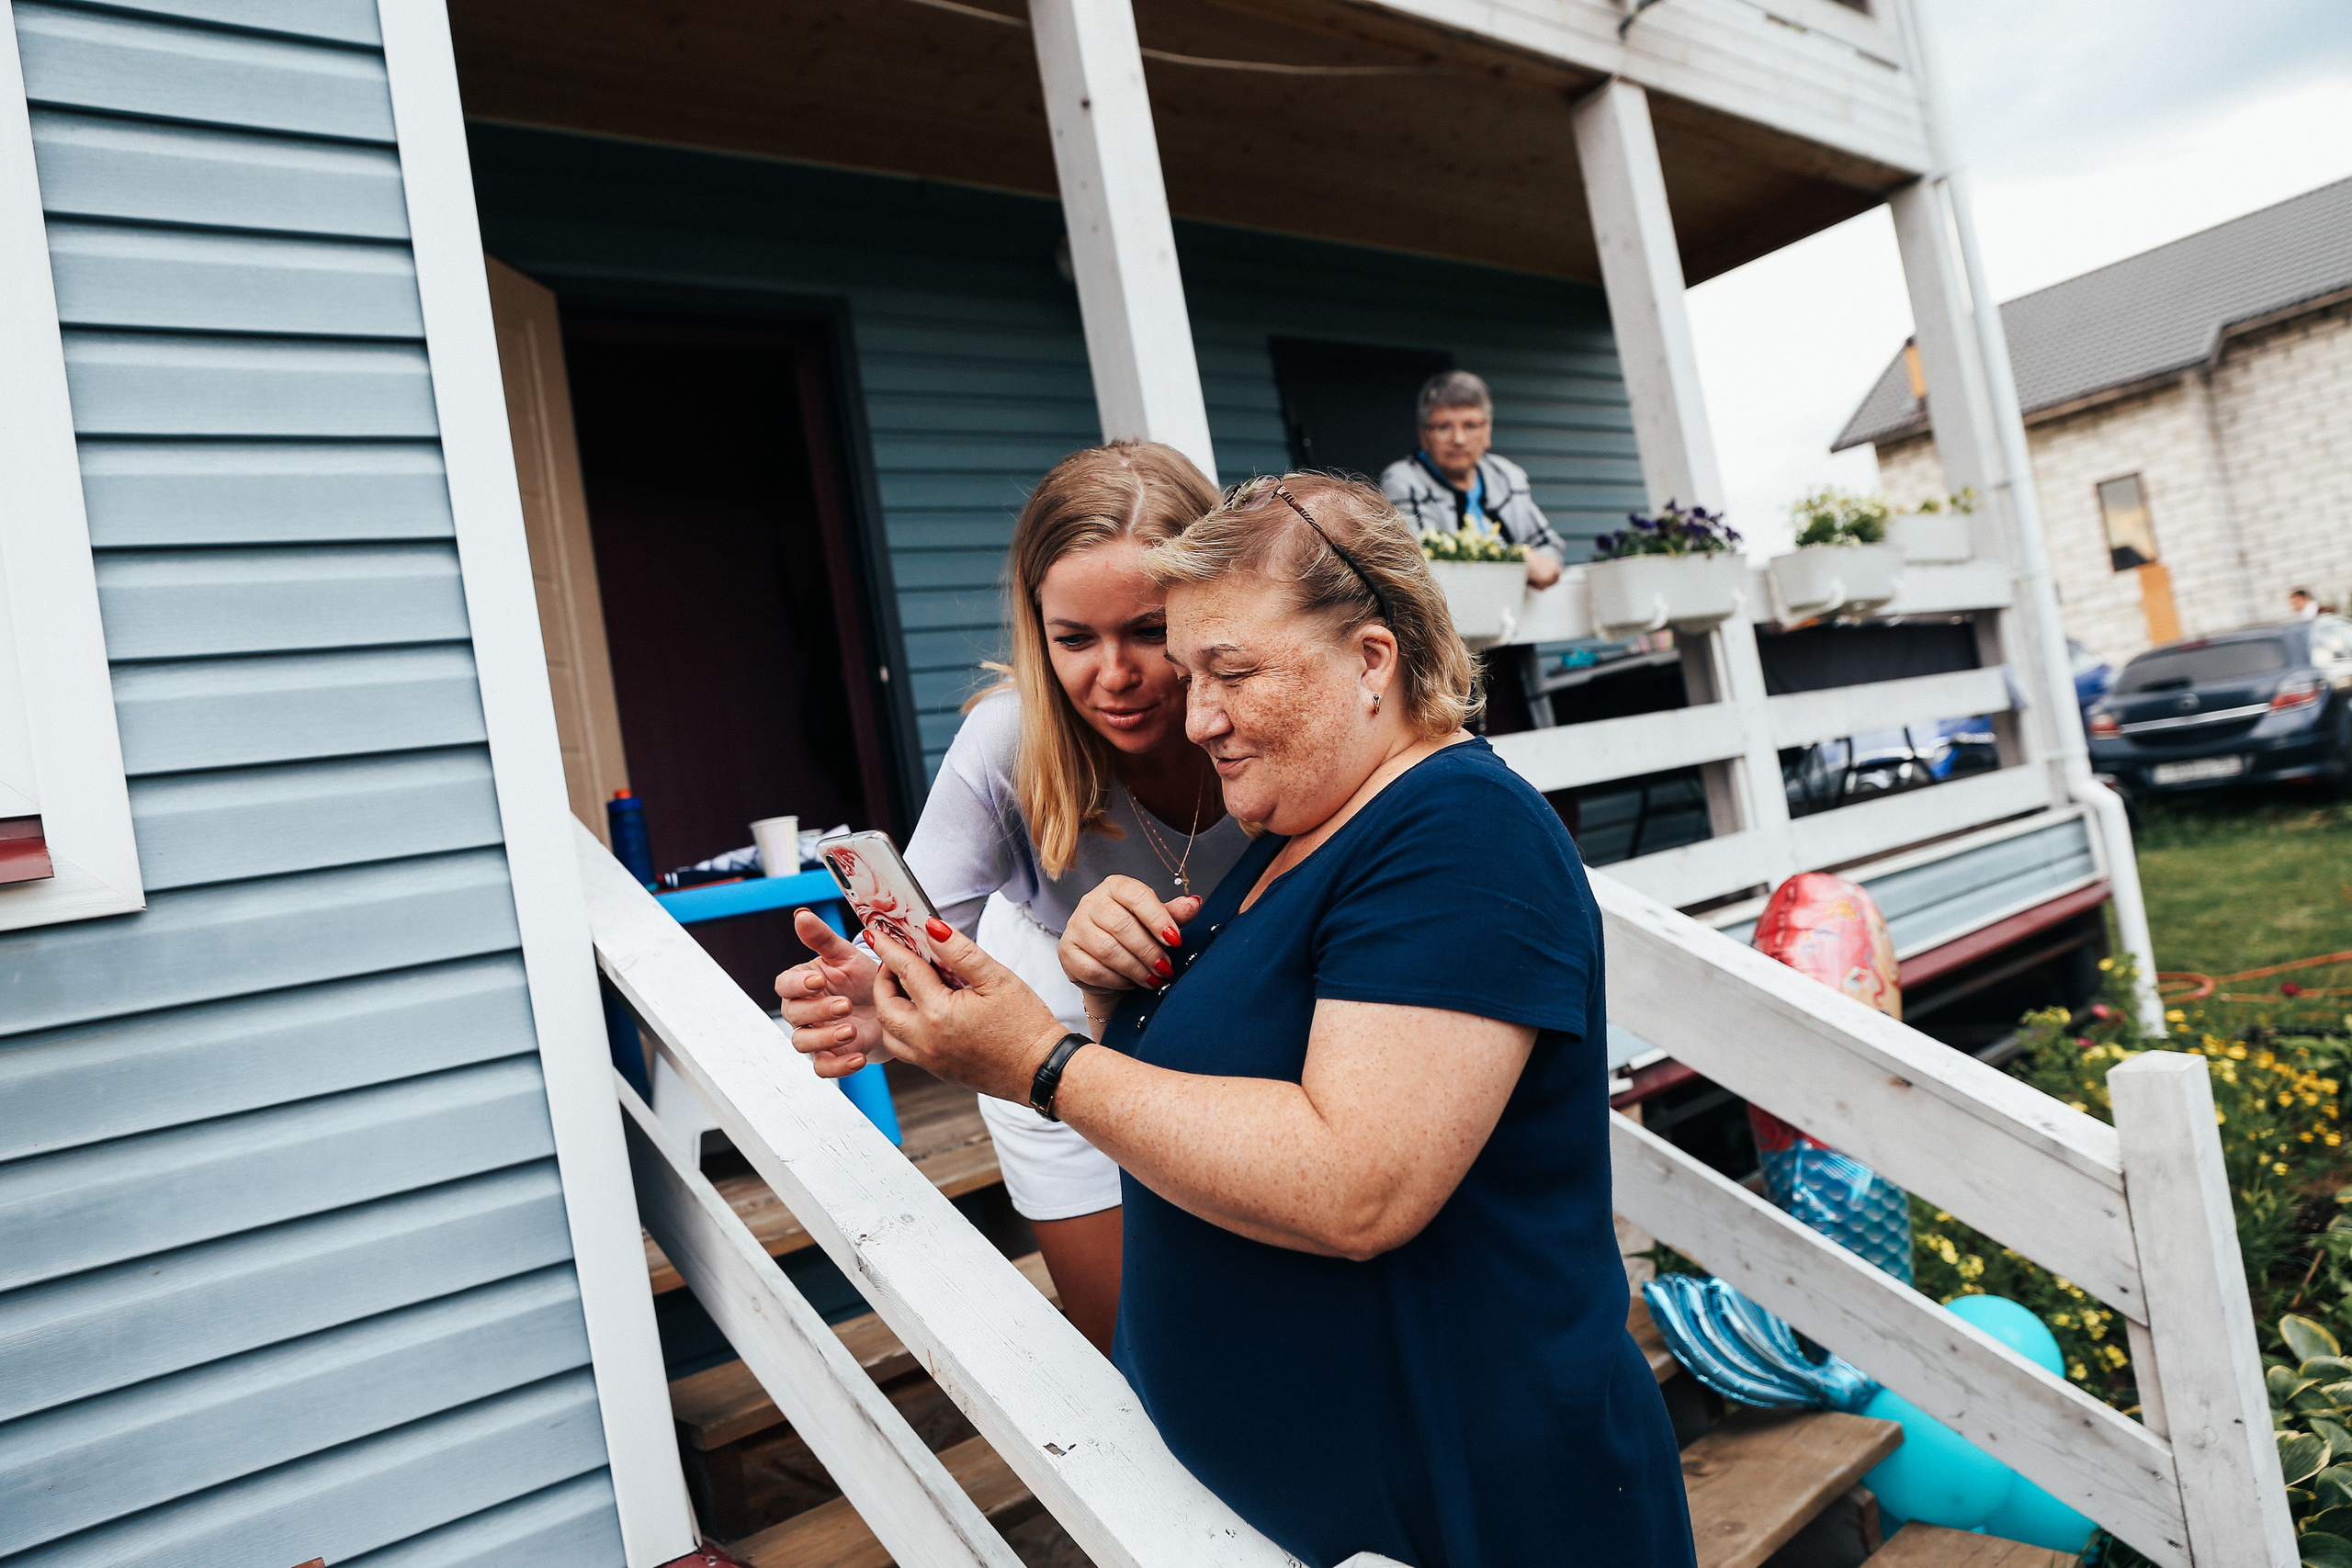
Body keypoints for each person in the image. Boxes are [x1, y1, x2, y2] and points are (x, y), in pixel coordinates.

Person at [857, 473, 1695, 1568]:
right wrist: (1118, 999)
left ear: (1370, 659)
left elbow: (1359, 1186)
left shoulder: (1461, 833)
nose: (1195, 716)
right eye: (1192, 672)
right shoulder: (1301, 830)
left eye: (1231, 672)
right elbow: (1214, 1109)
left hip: (1466, 1511)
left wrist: (1044, 1062)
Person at [775, 441, 1251, 1355]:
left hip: (1240, 1012)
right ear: (1038, 629)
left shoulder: (1263, 718)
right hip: (1053, 1021)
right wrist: (885, 998)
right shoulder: (1007, 743)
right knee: (1130, 1347)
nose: (1112, 675)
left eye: (1149, 630)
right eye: (1074, 638)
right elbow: (913, 944)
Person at [1381, 369, 1565, 589]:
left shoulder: (1507, 475)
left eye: (1471, 426)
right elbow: (1421, 563)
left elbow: (1549, 546)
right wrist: (1520, 561)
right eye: (1443, 427)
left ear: (1488, 431)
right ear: (1424, 436)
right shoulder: (1403, 480)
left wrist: (1545, 565)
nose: (1458, 439)